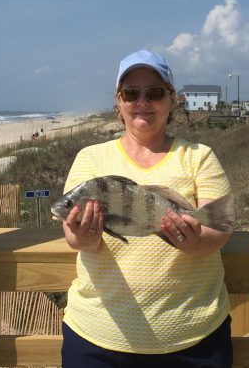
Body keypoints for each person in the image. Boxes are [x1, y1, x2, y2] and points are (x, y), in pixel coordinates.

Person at [61, 49, 235, 367]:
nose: (142, 102)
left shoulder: (199, 156)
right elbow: (75, 239)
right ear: (119, 101)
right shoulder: (89, 158)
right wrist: (83, 237)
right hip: (97, 338)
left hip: (194, 339)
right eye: (131, 93)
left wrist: (196, 241)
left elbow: (219, 228)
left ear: (171, 100)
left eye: (154, 93)